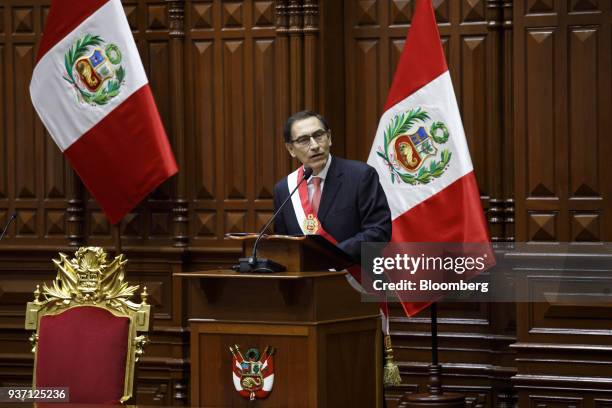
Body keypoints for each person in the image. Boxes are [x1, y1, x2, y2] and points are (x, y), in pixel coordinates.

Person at [273, 110, 392, 262]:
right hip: (306, 282)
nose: (315, 145)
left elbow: (379, 232)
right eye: (304, 140)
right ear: (291, 149)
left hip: (354, 278)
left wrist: (331, 256)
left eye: (318, 135)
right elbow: (284, 245)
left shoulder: (361, 176)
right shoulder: (284, 190)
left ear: (329, 138)